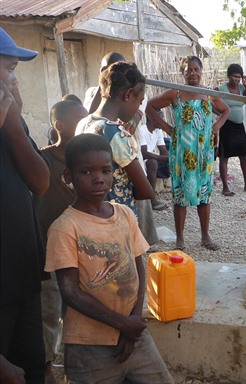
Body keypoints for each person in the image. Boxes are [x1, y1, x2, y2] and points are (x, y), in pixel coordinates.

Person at [44, 133, 173, 382]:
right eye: (87, 172)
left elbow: (138, 268)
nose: (99, 179)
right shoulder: (65, 227)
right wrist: (122, 324)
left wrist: (132, 324)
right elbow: (70, 292)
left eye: (105, 170)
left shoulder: (124, 214)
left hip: (134, 335)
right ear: (68, 177)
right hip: (89, 344)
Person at [0, 27, 50, 383]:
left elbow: (40, 181)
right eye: (9, 70)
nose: (15, 82)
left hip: (22, 274)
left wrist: (13, 124)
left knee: (31, 368)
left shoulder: (10, 122)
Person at [146, 56, 230, 251]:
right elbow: (150, 106)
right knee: (180, 194)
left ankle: (205, 237)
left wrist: (215, 127)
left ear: (202, 71)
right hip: (182, 151)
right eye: (188, 70)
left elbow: (226, 111)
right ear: (182, 73)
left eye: (196, 69)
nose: (193, 73)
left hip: (204, 152)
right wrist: (168, 129)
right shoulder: (175, 94)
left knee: (204, 194)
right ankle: (180, 240)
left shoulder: (208, 94)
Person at [33, 99, 88, 383]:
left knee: (77, 311)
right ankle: (44, 369)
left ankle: (74, 368)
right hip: (47, 252)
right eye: (80, 120)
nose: (86, 123)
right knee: (48, 312)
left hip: (78, 250)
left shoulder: (85, 162)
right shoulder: (41, 160)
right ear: (60, 126)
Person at [76, 61, 154, 213]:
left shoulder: (83, 123)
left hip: (90, 213)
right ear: (128, 94)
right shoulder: (116, 134)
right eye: (139, 101)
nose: (138, 107)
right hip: (116, 217)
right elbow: (146, 191)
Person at [215, 63, 246, 196]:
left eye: (239, 77)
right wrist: (220, 114)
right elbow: (210, 102)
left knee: (244, 156)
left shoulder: (241, 88)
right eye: (234, 76)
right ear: (228, 76)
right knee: (224, 157)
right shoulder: (221, 89)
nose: (236, 79)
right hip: (226, 125)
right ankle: (225, 187)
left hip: (239, 126)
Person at [140, 112, 169, 210]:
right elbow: (144, 153)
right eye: (161, 118)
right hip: (139, 161)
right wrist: (164, 158)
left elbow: (163, 151)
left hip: (150, 159)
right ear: (152, 118)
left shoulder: (158, 131)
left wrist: (171, 159)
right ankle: (152, 199)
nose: (163, 121)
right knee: (153, 162)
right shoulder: (142, 130)